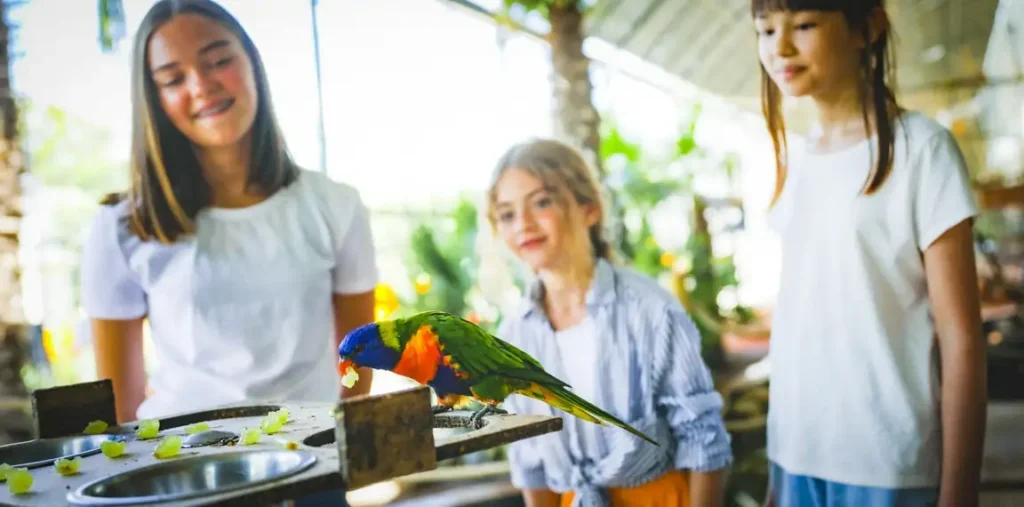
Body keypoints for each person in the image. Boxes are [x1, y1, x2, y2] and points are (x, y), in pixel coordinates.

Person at [81, 0, 376, 429]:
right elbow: (120, 411)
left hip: (315, 470)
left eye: (218, 60)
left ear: (252, 63)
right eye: (173, 79)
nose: (201, 85)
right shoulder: (123, 227)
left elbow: (355, 371)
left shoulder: (337, 206)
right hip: (188, 475)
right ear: (155, 101)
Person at [752, 1, 987, 506]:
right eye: (766, 30)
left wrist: (960, 493)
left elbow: (962, 339)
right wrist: (777, 470)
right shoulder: (791, 160)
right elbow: (798, 327)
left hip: (888, 465)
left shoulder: (923, 151)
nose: (780, 47)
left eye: (805, 25)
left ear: (867, 28)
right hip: (796, 458)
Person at [486, 139, 732, 507]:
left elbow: (703, 439)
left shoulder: (650, 310)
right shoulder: (512, 337)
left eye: (541, 202)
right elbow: (530, 463)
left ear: (589, 209)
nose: (523, 224)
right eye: (507, 214)